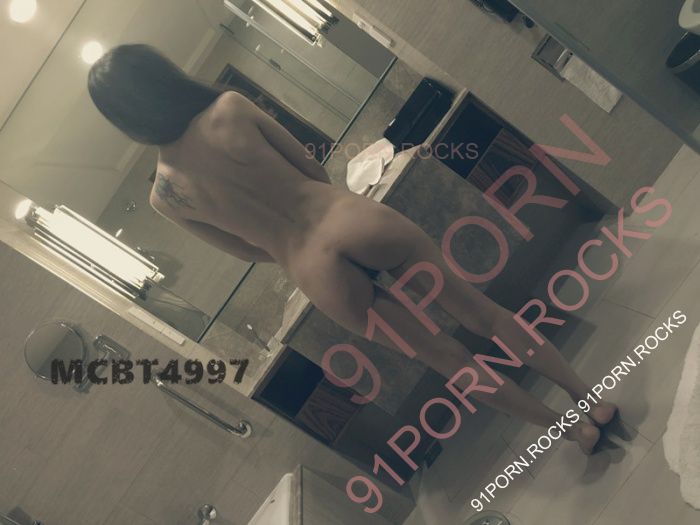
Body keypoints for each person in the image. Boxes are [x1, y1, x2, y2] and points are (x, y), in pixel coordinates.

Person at [88, 44, 617, 454]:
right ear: (163, 72)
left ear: (123, 119)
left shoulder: (165, 196)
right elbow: (313, 169)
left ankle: (573, 434)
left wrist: (288, 249)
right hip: (350, 220)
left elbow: (245, 252)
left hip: (313, 272)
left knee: (448, 359)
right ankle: (588, 400)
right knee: (484, 315)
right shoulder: (229, 107)